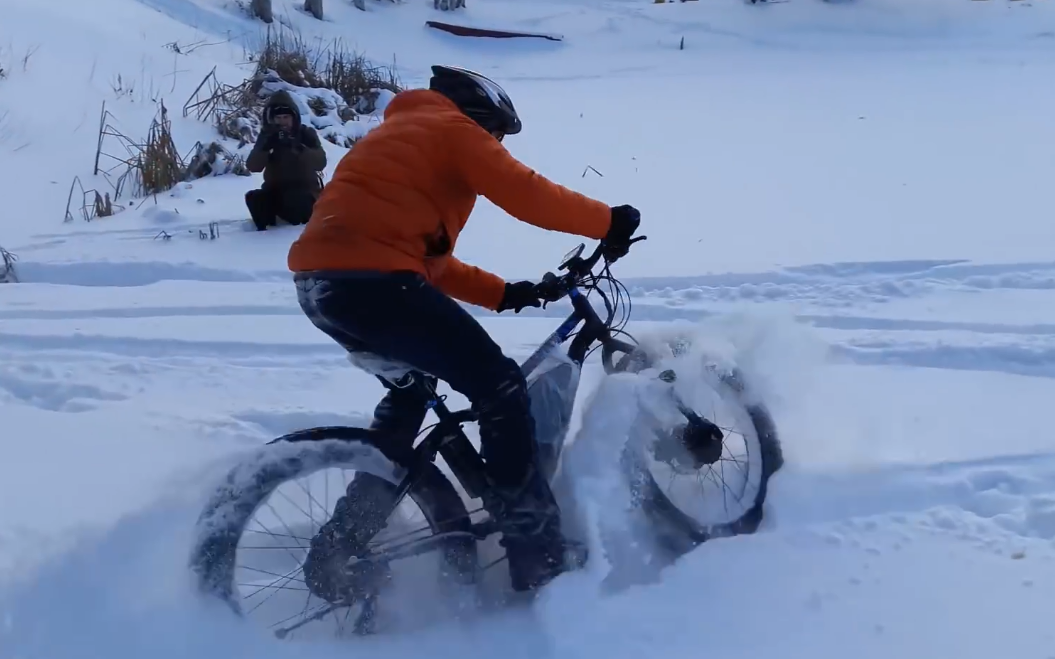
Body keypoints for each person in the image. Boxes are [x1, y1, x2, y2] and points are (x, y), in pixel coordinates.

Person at [287, 65, 641, 596]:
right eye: (493, 134)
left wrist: (507, 293)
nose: (492, 144)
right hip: (375, 284)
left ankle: (343, 544)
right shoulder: (450, 129)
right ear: (478, 118)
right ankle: (537, 553)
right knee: (498, 385)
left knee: (410, 400)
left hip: (325, 287)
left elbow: (427, 261)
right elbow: (527, 193)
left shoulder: (395, 138)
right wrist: (608, 222)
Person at [245, 90, 328, 231]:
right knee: (254, 199)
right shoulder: (267, 136)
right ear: (272, 119)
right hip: (275, 191)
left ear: (293, 118)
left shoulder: (306, 133)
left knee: (296, 200)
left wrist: (300, 149)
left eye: (286, 117)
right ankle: (266, 232)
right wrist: (265, 148)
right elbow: (253, 166)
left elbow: (321, 162)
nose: (282, 122)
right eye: (278, 118)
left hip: (305, 192)